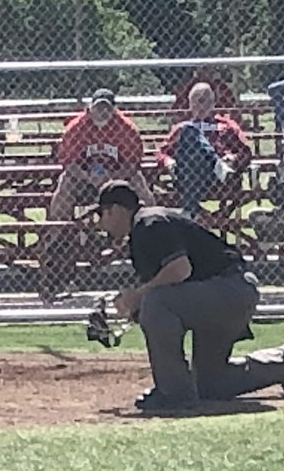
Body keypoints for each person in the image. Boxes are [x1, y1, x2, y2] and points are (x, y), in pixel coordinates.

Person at [89, 180, 284, 410]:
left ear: (117, 209)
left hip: (230, 289)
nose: (101, 223)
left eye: (102, 214)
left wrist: (139, 296)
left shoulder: (148, 223)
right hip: (227, 293)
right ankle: (280, 364)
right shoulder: (144, 228)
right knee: (210, 384)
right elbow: (170, 289)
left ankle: (173, 393)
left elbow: (180, 269)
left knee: (156, 302)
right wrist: (134, 304)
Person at [40, 88, 155, 302]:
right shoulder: (77, 127)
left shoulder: (125, 128)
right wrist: (88, 177)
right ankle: (57, 235)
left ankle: (152, 229)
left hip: (118, 179)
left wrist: (113, 178)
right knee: (65, 183)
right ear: (90, 107)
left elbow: (132, 163)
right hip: (84, 180)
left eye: (107, 108)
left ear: (113, 109)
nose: (102, 112)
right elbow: (68, 163)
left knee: (141, 184)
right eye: (98, 107)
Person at [157, 83, 252, 220]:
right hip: (188, 174)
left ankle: (190, 210)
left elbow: (246, 152)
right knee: (189, 132)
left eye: (203, 100)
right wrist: (168, 161)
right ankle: (217, 164)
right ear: (189, 105)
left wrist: (232, 159)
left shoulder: (225, 125)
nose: (199, 106)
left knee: (191, 138)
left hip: (216, 180)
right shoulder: (182, 128)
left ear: (213, 102)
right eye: (194, 102)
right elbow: (161, 152)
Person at [171, 66, 238, 121]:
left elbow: (232, 107)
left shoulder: (220, 87)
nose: (206, 72)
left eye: (208, 69)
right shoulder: (188, 86)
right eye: (203, 69)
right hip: (191, 120)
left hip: (216, 120)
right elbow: (176, 110)